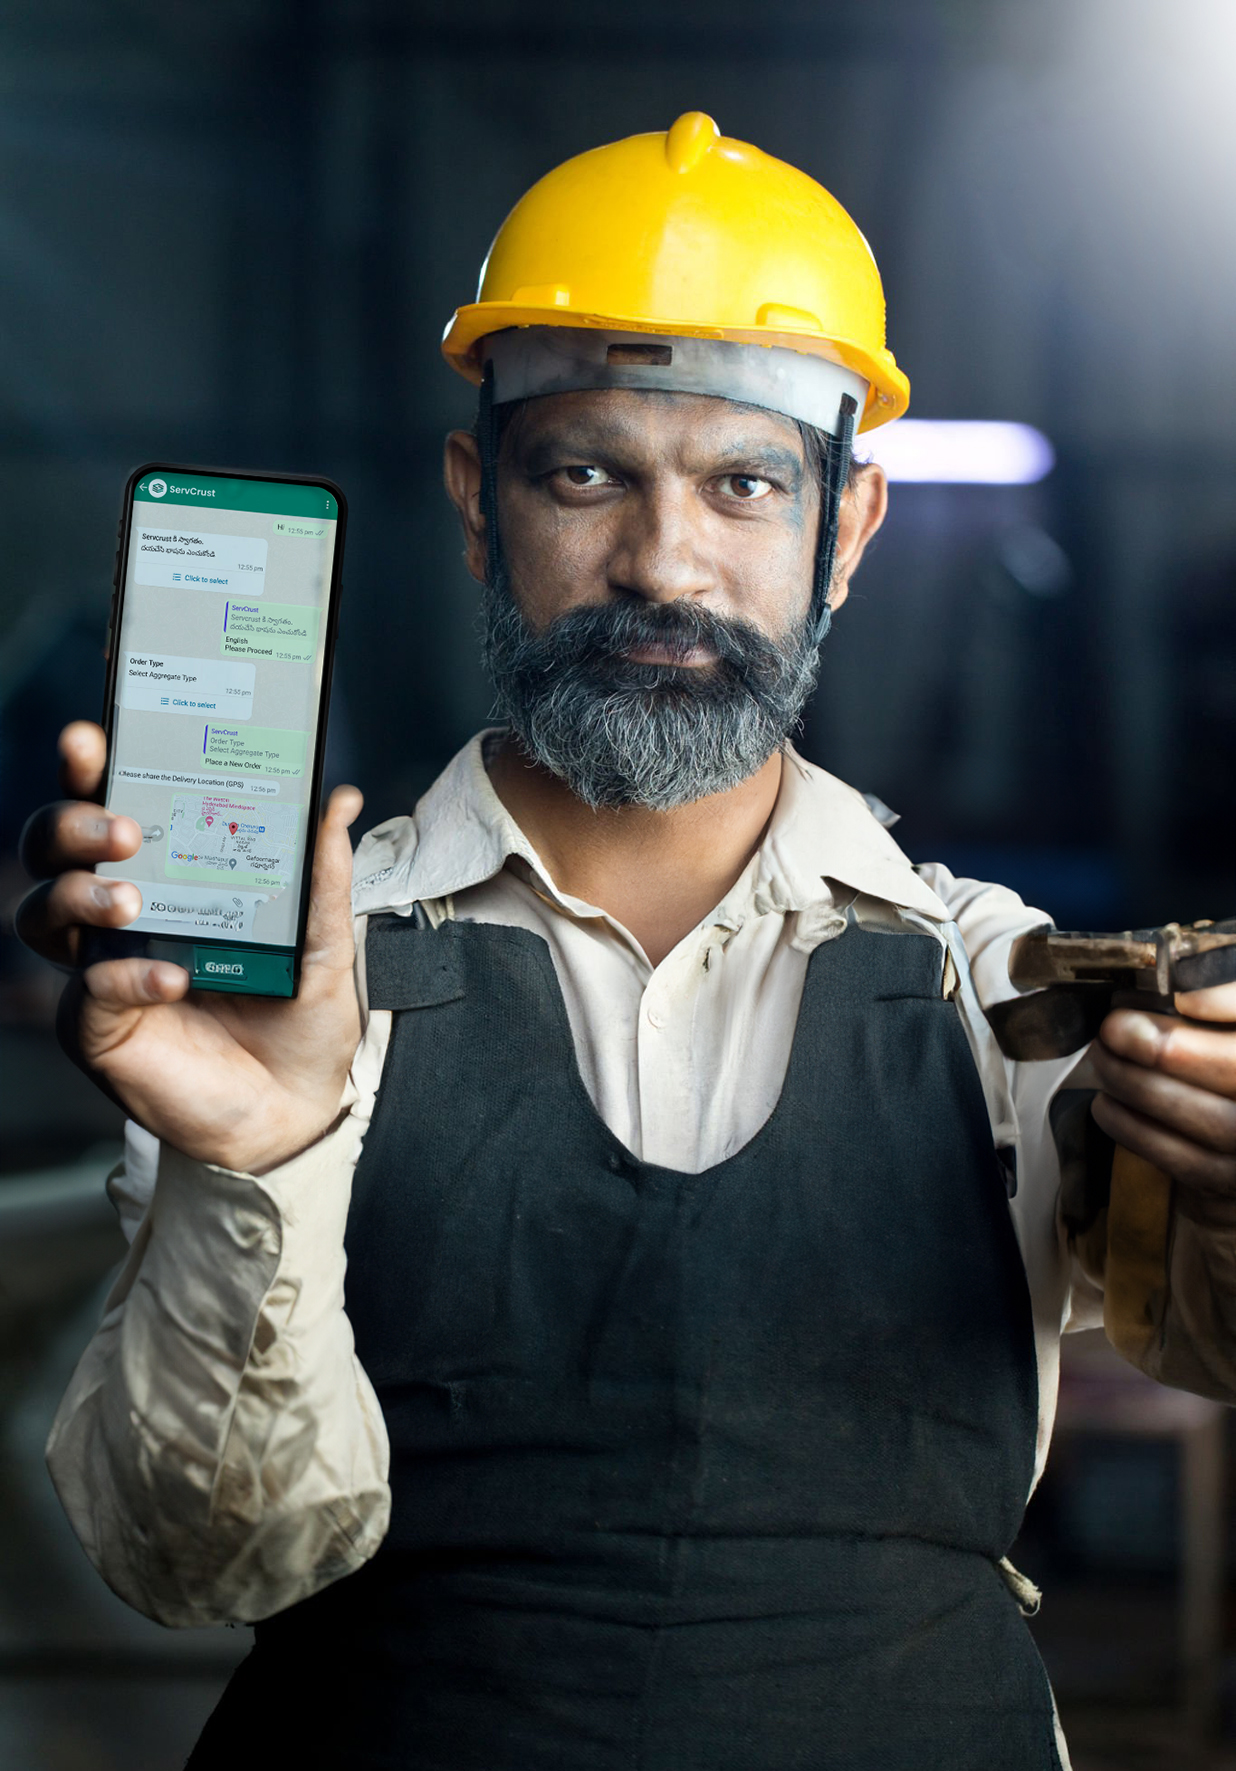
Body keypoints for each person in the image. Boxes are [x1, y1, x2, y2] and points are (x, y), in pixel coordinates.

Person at [17, 114, 1236, 1771]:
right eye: (585, 472)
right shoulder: (306, 983)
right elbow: (193, 1562)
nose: (664, 564)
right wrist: (260, 1153)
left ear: (848, 528)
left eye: (746, 484)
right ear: (477, 498)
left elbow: (1210, 1333)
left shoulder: (994, 989)